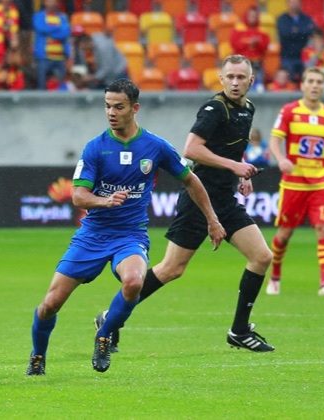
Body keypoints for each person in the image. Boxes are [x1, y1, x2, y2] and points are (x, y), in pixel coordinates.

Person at [26, 78, 226, 376]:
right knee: (50, 304)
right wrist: (104, 201)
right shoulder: (95, 148)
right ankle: (38, 356)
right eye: (107, 106)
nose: (111, 112)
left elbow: (190, 180)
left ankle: (105, 334)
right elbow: (78, 194)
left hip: (130, 236)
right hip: (92, 236)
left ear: (135, 108)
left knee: (134, 282)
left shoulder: (156, 147)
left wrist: (212, 218)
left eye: (118, 107)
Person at [94, 55, 275, 355]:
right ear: (220, 78)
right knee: (171, 269)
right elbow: (191, 149)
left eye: (241, 77)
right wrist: (233, 166)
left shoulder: (247, 110)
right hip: (198, 198)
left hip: (225, 201)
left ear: (251, 81)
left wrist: (241, 171)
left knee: (261, 256)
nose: (234, 82)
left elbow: (229, 149)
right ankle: (109, 317)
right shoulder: (214, 109)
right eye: (229, 76)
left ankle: (239, 330)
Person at [267, 67, 324, 297]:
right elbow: (275, 141)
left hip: (320, 183)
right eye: (311, 81)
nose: (315, 85)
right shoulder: (289, 111)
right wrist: (281, 158)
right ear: (303, 85)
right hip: (294, 183)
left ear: (323, 86)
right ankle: (275, 276)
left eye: (319, 82)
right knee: (284, 234)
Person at [32, 0, 70, 90]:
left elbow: (65, 32)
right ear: (45, 3)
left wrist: (50, 33)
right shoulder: (39, 16)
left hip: (60, 58)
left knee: (61, 86)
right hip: (44, 58)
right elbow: (41, 28)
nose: (52, 3)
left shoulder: (63, 17)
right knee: (42, 85)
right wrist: (58, 28)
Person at [230, 6, 269, 92]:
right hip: (241, 63)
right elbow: (234, 45)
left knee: (259, 87)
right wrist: (248, 42)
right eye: (251, 16)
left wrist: (257, 43)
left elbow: (265, 48)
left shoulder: (262, 31)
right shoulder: (238, 29)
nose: (252, 18)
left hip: (257, 63)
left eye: (254, 16)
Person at [277, 0, 316, 82]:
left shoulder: (307, 18)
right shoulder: (282, 19)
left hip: (304, 57)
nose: (294, 4)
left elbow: (310, 33)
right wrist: (301, 32)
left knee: (306, 81)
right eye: (292, 2)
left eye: (297, 2)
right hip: (287, 57)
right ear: (288, 3)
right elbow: (284, 34)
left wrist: (294, 31)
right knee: (288, 83)